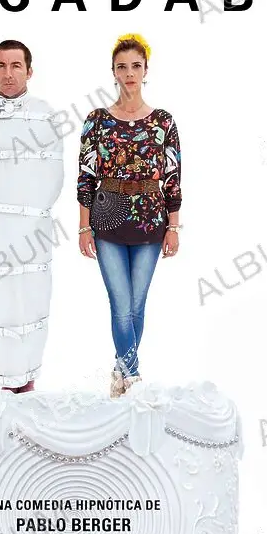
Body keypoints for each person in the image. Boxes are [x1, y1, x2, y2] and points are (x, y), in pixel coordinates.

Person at [77, 34, 182, 398]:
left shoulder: (163, 121)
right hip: (107, 219)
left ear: (146, 70)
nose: (129, 73)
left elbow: (173, 176)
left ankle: (121, 374)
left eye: (136, 66)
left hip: (151, 221)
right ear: (113, 72)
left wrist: (174, 226)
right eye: (122, 67)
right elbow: (86, 176)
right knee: (121, 303)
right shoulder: (96, 120)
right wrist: (83, 228)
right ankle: (133, 377)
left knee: (137, 305)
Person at [0, 40, 63, 393]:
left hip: (31, 232)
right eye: (1, 65)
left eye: (16, 65)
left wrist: (28, 219)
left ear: (29, 71)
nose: (8, 73)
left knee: (30, 297)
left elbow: (51, 176)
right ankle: (5, 380)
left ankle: (28, 380)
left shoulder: (46, 115)